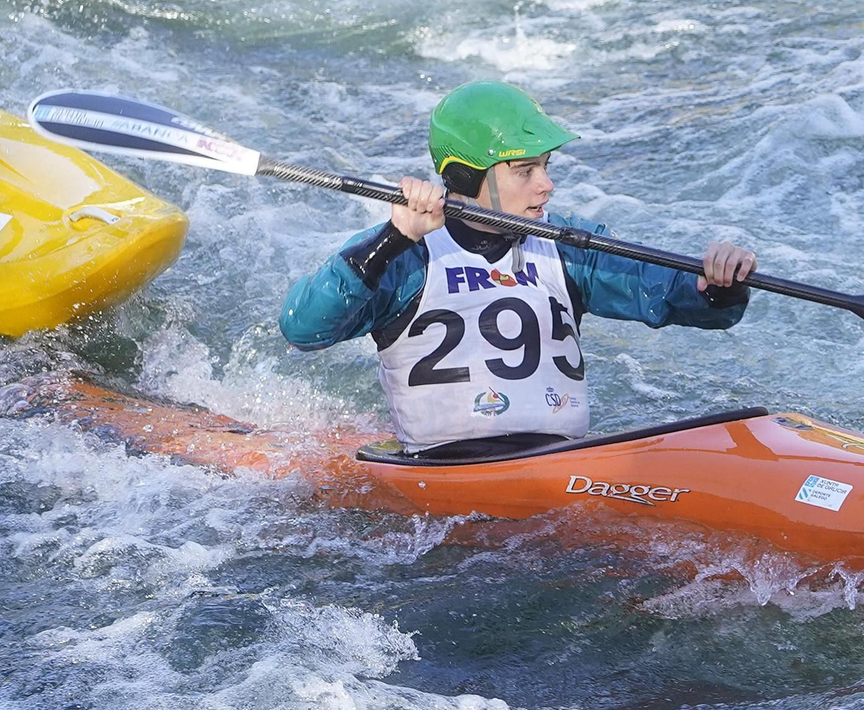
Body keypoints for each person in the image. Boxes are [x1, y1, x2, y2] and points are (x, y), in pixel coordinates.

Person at [279, 81, 757, 457]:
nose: (546, 185)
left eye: (546, 166)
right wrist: (392, 237)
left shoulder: (566, 246)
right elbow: (303, 329)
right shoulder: (409, 253)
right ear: (466, 177)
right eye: (525, 171)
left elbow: (677, 297)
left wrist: (716, 284)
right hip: (444, 472)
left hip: (561, 462)